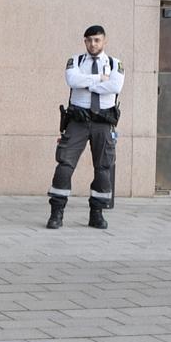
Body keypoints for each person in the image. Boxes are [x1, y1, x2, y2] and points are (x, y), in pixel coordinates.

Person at [47, 25, 124, 229]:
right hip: (77, 122)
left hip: (103, 123)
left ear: (104, 41)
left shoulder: (115, 64)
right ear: (84, 41)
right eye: (89, 40)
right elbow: (72, 80)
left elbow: (115, 86)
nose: (93, 44)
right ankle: (57, 213)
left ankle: (96, 214)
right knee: (64, 166)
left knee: (103, 169)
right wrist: (99, 79)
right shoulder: (76, 61)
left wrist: (86, 83)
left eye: (97, 40)